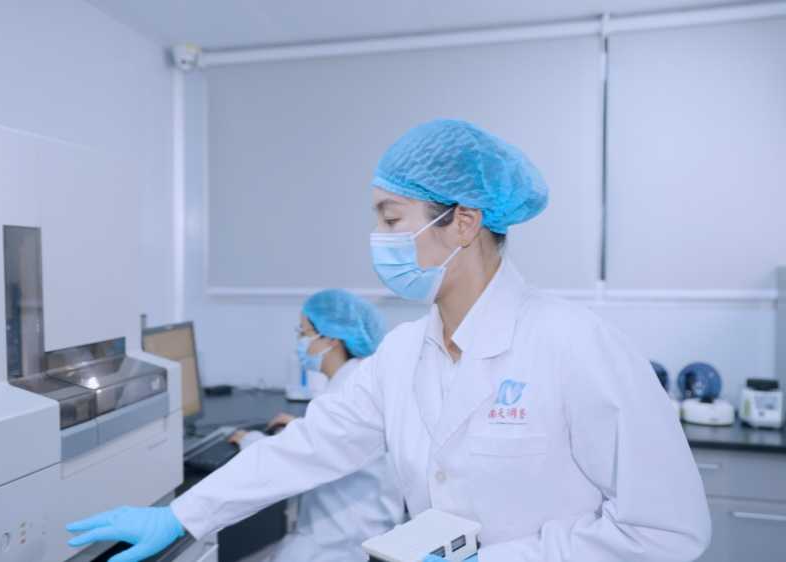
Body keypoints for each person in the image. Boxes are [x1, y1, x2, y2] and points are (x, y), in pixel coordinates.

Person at [65, 120, 711, 562]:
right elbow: (304, 450)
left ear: (463, 223)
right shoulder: (402, 356)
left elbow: (668, 529)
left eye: (391, 218)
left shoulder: (577, 346)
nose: (379, 239)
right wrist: (184, 516)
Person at [225, 289, 405, 562]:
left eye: (304, 332)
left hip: (341, 545)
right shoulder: (356, 379)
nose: (300, 341)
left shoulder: (344, 397)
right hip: (365, 527)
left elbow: (288, 462)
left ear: (331, 338)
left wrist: (248, 440)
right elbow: (332, 437)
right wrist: (302, 425)